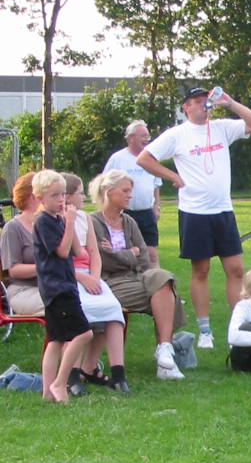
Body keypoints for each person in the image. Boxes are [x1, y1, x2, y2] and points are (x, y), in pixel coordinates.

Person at [136, 86, 251, 350]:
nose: (203, 105)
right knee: (201, 270)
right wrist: (172, 176)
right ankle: (205, 330)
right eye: (196, 101)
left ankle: (237, 328)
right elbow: (144, 158)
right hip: (195, 212)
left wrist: (230, 102)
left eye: (206, 100)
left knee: (236, 269)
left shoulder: (221, 128)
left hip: (223, 210)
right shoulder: (177, 134)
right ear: (186, 107)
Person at [89, 170, 188, 381]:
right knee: (167, 295)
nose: (130, 195)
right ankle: (165, 362)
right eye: (125, 191)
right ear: (108, 191)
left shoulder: (129, 222)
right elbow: (103, 260)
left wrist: (120, 254)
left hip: (136, 278)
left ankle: (164, 349)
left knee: (162, 278)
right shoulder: (93, 222)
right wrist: (129, 253)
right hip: (108, 282)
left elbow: (144, 259)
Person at [61, 172, 130, 395]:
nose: (84, 197)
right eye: (80, 193)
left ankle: (119, 375)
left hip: (90, 276)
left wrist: (95, 277)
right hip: (69, 276)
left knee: (113, 310)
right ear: (67, 196)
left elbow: (94, 253)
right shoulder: (54, 220)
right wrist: (82, 278)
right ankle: (72, 376)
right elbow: (58, 260)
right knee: (79, 312)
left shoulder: (85, 218)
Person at [31, 170, 93, 404]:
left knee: (56, 340)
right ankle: (60, 382)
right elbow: (62, 251)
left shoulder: (58, 219)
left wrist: (69, 222)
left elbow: (78, 250)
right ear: (40, 198)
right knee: (83, 334)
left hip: (65, 284)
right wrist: (69, 223)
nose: (61, 200)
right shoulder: (43, 221)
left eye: (63, 195)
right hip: (57, 288)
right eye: (55, 195)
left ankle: (47, 392)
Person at [103, 120, 163, 267]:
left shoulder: (151, 158)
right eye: (143, 136)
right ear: (131, 138)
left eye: (148, 136)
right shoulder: (118, 159)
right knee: (129, 251)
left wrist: (156, 206)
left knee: (151, 252)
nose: (146, 139)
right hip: (125, 213)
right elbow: (104, 184)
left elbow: (156, 185)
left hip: (147, 213)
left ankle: (155, 277)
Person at [0, 172, 45, 316]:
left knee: (87, 303)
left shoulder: (50, 223)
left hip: (53, 286)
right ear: (34, 196)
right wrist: (47, 266)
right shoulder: (13, 228)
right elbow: (13, 270)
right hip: (23, 290)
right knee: (66, 304)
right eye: (51, 193)